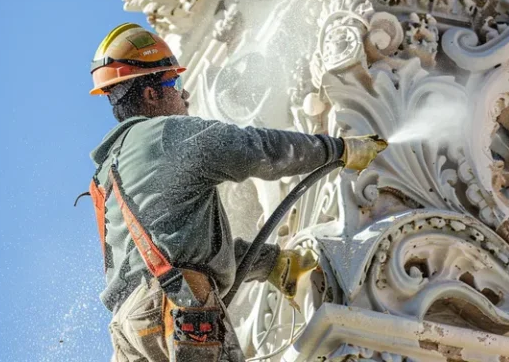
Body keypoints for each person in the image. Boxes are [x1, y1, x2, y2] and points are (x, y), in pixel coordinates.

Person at [85, 23, 386, 361]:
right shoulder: (167, 135)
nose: (184, 95)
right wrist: (339, 150)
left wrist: (270, 263)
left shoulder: (110, 169)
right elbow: (258, 149)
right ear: (151, 94)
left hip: (129, 330)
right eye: (175, 83)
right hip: (174, 305)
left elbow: (173, 245)